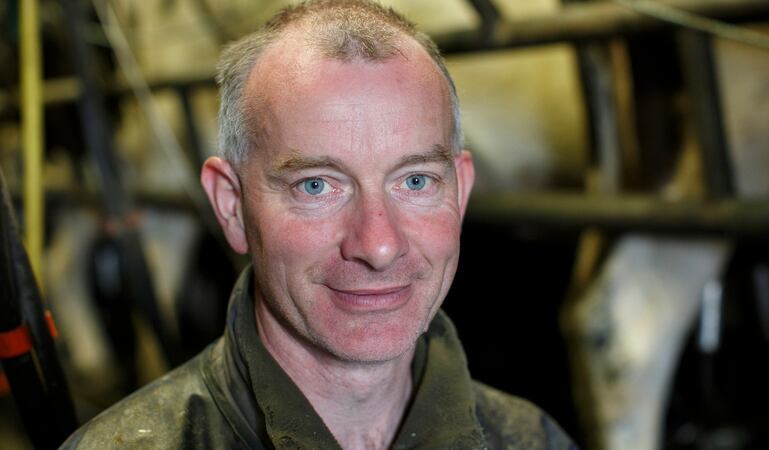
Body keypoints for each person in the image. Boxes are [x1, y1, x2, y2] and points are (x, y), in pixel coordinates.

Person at [61, 1, 576, 448]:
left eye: (416, 182)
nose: (378, 245)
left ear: (460, 191)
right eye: (316, 186)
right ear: (232, 206)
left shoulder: (534, 439)